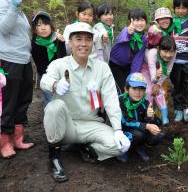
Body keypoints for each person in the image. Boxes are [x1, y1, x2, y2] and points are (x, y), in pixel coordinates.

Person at [40, 22, 131, 182]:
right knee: (54, 106)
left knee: (119, 146)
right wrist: (54, 85)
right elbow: (45, 80)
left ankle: (85, 147)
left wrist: (117, 129)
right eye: (78, 39)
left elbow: (111, 99)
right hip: (66, 126)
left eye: (88, 39)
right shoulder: (60, 64)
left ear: (93, 43)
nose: (83, 44)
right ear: (70, 42)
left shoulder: (102, 68)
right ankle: (54, 157)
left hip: (91, 124)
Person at [0, 0, 34, 159]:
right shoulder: (3, 3)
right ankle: (4, 142)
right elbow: (3, 29)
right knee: (9, 101)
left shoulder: (20, 10)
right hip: (8, 60)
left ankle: (17, 138)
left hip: (24, 60)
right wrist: (13, 7)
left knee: (24, 99)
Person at [117, 72, 165, 162]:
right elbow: (125, 121)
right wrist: (146, 126)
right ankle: (124, 149)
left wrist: (151, 117)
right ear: (126, 89)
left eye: (141, 89)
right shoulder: (120, 101)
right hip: (123, 131)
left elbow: (158, 123)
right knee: (138, 135)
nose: (138, 92)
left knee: (157, 136)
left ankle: (139, 146)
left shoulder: (145, 102)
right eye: (134, 88)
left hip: (139, 130)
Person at [31, 11, 66, 107]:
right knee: (49, 99)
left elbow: (63, 59)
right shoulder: (35, 43)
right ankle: (49, 118)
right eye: (39, 25)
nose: (43, 28)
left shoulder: (57, 38)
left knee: (63, 98)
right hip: (45, 75)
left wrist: (61, 43)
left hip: (60, 74)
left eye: (46, 24)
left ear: (51, 26)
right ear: (34, 29)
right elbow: (40, 64)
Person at [109, 8, 148, 93]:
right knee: (118, 89)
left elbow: (138, 59)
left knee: (128, 87)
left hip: (127, 66)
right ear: (131, 21)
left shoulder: (143, 39)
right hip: (114, 65)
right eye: (137, 20)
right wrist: (129, 34)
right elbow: (123, 39)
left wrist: (132, 77)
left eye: (142, 20)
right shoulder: (126, 30)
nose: (140, 23)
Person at [141, 36, 176, 125]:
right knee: (149, 91)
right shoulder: (152, 54)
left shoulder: (174, 54)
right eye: (165, 51)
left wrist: (159, 84)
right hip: (146, 68)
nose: (168, 55)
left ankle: (165, 118)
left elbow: (167, 70)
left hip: (159, 71)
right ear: (158, 49)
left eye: (171, 52)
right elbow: (153, 77)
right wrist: (156, 79)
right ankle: (149, 116)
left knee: (159, 91)